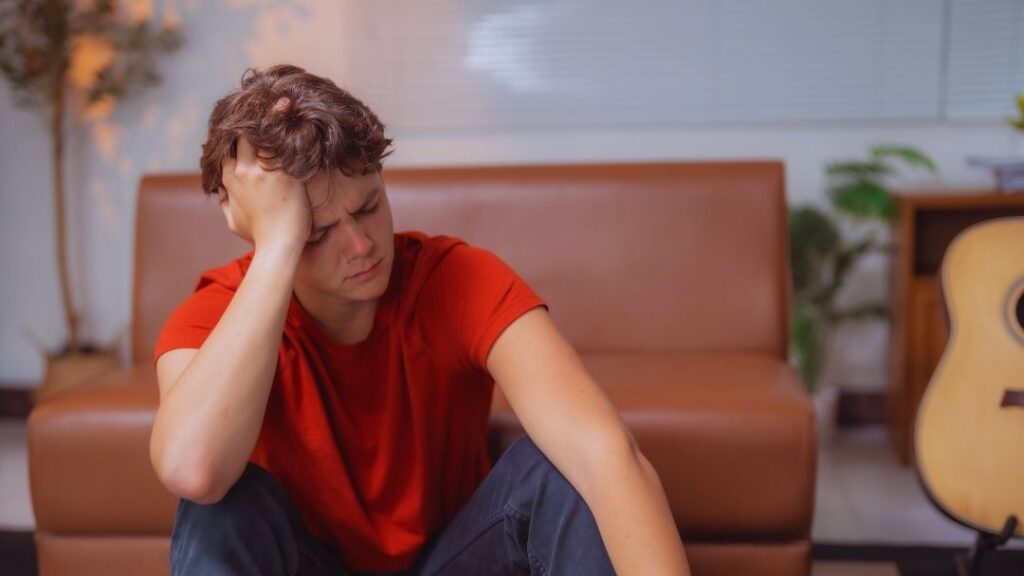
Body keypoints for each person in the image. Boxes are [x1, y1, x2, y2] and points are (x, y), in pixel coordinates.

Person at [150, 64, 690, 576]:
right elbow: (193, 471)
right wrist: (277, 248)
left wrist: (300, 232)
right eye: (316, 234)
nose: (360, 246)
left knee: (556, 470)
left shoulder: (455, 278)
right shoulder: (216, 312)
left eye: (368, 208)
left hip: (453, 561)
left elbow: (606, 456)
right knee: (219, 507)